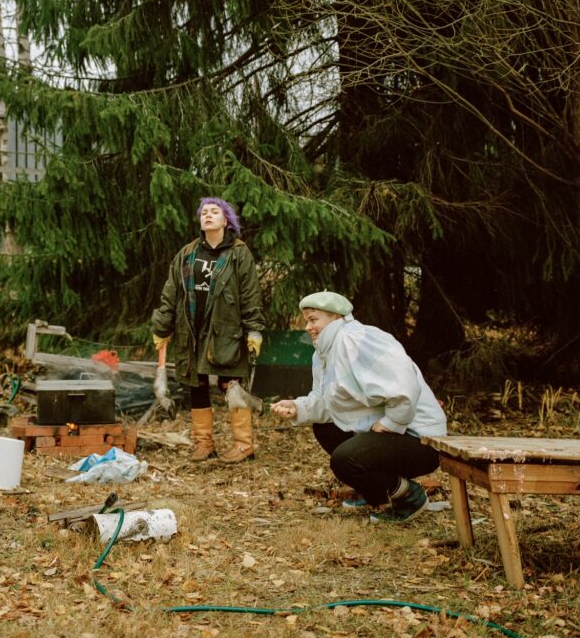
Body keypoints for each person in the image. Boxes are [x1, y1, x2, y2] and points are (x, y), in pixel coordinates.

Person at [271, 291, 446, 522]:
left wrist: (391, 422)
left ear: (335, 317)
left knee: (345, 460)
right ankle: (377, 492)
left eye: (314, 320)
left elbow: (404, 385)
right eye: (306, 321)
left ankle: (410, 498)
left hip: (420, 438)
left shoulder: (356, 339)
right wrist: (297, 407)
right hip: (395, 435)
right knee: (325, 428)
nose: (308, 327)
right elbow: (328, 401)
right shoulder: (324, 351)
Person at [152, 197, 265, 463]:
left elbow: (250, 294)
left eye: (215, 211)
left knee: (232, 384)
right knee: (196, 384)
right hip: (191, 329)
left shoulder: (239, 253)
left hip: (227, 330)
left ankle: (243, 445)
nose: (208, 215)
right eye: (204, 212)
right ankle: (204, 444)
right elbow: (171, 293)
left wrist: (254, 330)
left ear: (226, 220)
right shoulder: (188, 253)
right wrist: (162, 327)